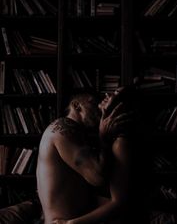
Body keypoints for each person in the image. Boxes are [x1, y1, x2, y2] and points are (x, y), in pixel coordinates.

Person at [36, 86, 148, 224]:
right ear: (77, 106)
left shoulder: (81, 137)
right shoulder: (64, 127)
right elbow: (97, 177)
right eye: (93, 102)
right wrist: (103, 138)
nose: (98, 107)